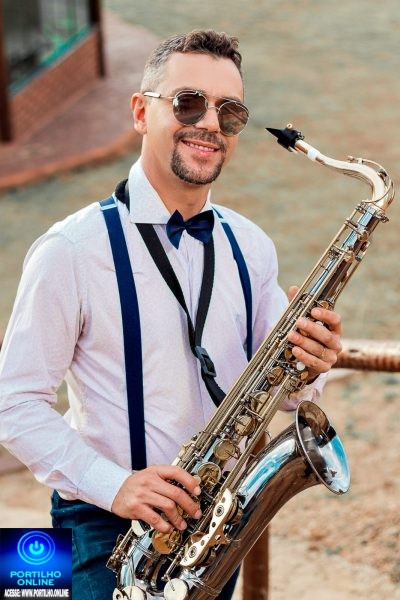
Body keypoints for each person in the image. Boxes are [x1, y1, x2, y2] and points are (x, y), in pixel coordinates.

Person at [0, 30, 342, 600]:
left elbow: (285, 392)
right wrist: (115, 486)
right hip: (105, 528)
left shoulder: (252, 246)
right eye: (188, 103)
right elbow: (13, 401)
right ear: (141, 112)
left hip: (213, 527)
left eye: (229, 112)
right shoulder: (71, 250)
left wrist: (310, 366)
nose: (210, 123)